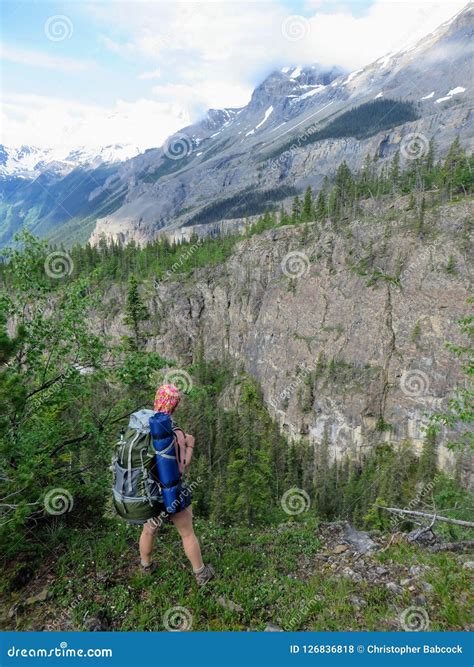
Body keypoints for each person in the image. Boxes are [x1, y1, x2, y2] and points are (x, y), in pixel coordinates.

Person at [138, 384, 215, 586]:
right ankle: (201, 573)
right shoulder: (175, 432)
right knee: (187, 532)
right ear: (174, 406)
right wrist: (190, 444)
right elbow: (182, 465)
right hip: (172, 492)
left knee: (148, 530)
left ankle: (146, 567)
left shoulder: (143, 427)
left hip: (150, 492)